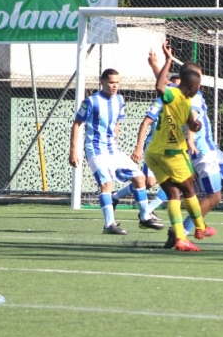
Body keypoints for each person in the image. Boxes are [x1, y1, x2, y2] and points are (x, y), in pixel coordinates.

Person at [146, 49, 223, 250]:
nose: (200, 83)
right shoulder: (192, 98)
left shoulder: (178, 90)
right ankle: (183, 232)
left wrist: (157, 65)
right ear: (193, 83)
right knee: (214, 196)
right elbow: (192, 119)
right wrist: (191, 140)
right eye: (198, 79)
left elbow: (164, 86)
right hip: (203, 154)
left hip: (214, 151)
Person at [69, 68, 164, 235]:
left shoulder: (120, 100)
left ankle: (144, 217)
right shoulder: (90, 102)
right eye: (111, 82)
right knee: (106, 184)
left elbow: (117, 122)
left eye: (117, 82)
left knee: (140, 178)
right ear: (102, 82)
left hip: (114, 150)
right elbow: (77, 124)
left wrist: (116, 139)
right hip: (96, 150)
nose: (115, 86)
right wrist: (73, 150)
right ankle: (109, 224)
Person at [144, 41, 209, 252]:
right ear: (191, 86)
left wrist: (195, 124)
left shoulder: (186, 100)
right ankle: (200, 228)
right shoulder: (175, 94)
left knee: (173, 194)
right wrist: (168, 60)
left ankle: (181, 238)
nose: (198, 90)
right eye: (197, 87)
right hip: (171, 153)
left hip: (153, 153)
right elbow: (160, 87)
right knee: (189, 189)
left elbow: (192, 123)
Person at [127, 73, 183, 223]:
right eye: (173, 85)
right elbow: (146, 123)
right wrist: (138, 147)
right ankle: (117, 198)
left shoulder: (183, 104)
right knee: (149, 183)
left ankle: (147, 210)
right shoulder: (160, 102)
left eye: (178, 86)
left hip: (170, 150)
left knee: (173, 182)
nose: (175, 88)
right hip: (154, 147)